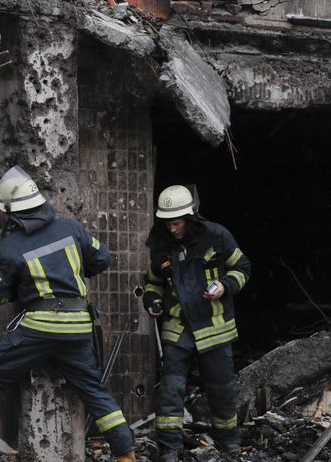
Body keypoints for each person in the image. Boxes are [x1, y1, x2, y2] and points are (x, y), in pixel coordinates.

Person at [0, 166, 135, 462]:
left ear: (12, 213)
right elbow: (103, 258)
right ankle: (126, 452)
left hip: (39, 328)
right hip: (78, 327)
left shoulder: (9, 248)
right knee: (93, 389)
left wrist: (21, 289)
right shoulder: (72, 229)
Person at [141, 185, 251, 460]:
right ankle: (170, 448)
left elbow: (243, 268)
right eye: (166, 223)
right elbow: (153, 283)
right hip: (178, 326)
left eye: (176, 223)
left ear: (189, 218)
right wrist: (153, 302)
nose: (171, 229)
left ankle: (229, 444)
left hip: (214, 326)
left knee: (221, 388)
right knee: (170, 390)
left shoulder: (216, 236)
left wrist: (225, 285)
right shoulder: (161, 244)